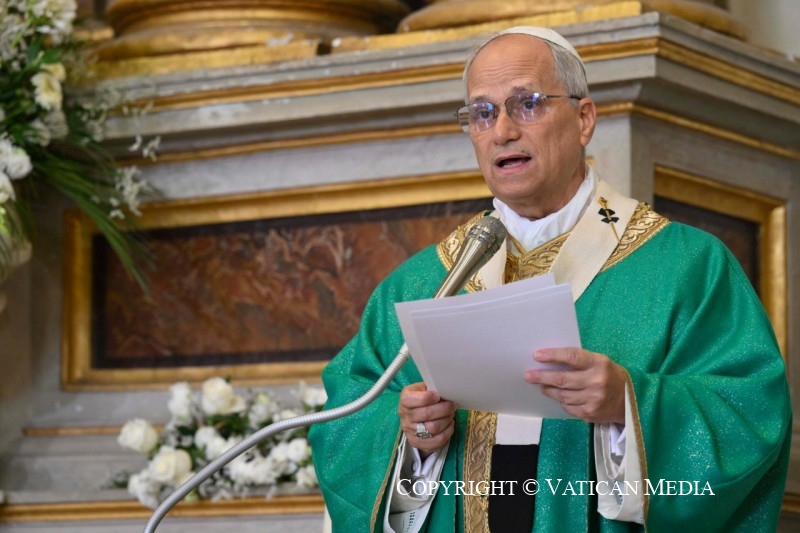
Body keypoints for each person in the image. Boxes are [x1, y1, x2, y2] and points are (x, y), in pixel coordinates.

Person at [308, 26, 792, 532]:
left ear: (584, 120)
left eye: (528, 104)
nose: (502, 131)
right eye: (482, 113)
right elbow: (347, 422)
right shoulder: (422, 282)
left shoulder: (686, 267)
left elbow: (749, 413)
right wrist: (411, 439)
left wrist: (627, 405)